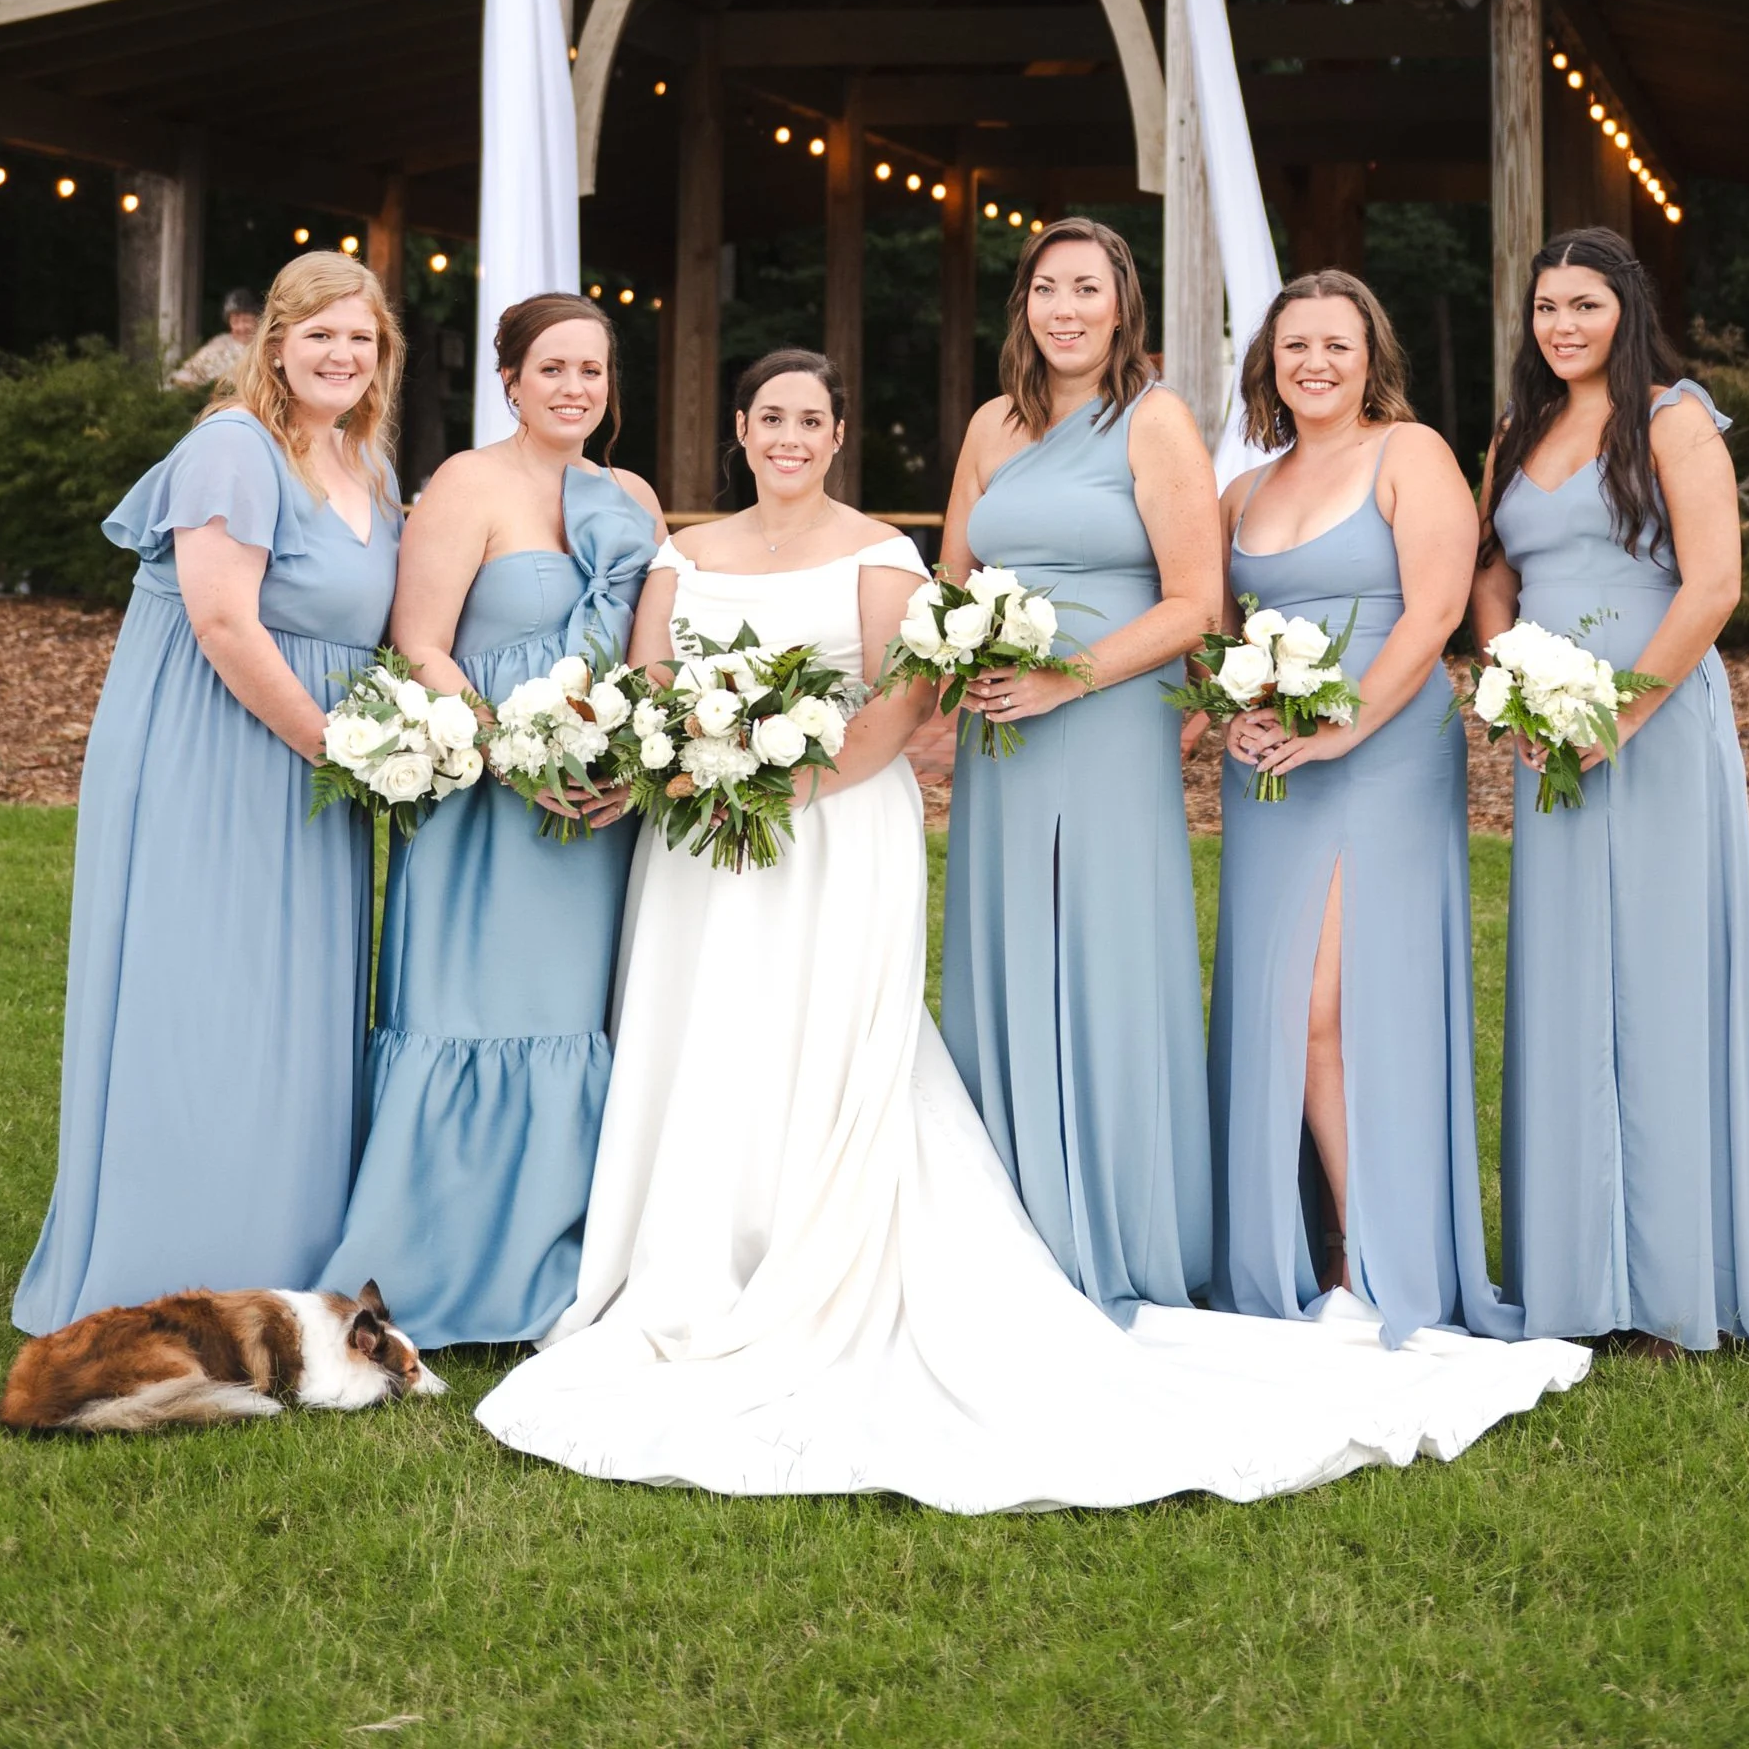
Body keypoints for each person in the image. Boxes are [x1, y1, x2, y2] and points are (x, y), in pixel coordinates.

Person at [475, 349, 1588, 1507]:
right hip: (699, 836)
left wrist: (793, 779)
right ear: (741, 434)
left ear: (840, 433)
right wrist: (697, 763)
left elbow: (908, 688)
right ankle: (690, 1255)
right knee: (706, 1036)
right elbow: (657, 682)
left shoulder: (884, 546)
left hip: (834, 818)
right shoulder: (687, 553)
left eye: (813, 417)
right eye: (771, 419)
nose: (791, 437)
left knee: (843, 1028)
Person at [14, 253, 402, 1330]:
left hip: (313, 768)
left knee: (294, 997)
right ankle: (169, 1255)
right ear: (271, 342)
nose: (340, 355)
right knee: (207, 990)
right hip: (216, 750)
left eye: (360, 339)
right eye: (319, 334)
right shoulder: (234, 450)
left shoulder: (365, 461)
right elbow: (224, 623)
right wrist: (339, 748)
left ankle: (278, 1247)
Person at [1477, 225, 1749, 1358]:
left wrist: (1619, 711)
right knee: (1566, 979)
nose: (1563, 326)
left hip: (1657, 723)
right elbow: (1490, 569)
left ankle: (1681, 1279)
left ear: (1625, 311)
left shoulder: (1673, 418)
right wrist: (1511, 684)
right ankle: (1577, 1279)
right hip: (1548, 737)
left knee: (1664, 980)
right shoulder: (1515, 430)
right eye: (1547, 308)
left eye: (1584, 305)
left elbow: (1715, 580)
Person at [325, 293, 664, 1344]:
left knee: (577, 1023)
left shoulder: (632, 495)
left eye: (593, 371)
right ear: (509, 380)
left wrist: (634, 762)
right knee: (472, 1017)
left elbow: (655, 647)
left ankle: (563, 1266)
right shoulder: (469, 484)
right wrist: (507, 752)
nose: (575, 388)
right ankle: (427, 1268)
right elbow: (419, 640)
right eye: (552, 368)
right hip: (487, 805)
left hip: (596, 815)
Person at [1209, 270, 1518, 1342]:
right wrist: (1233, 714)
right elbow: (1219, 637)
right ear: (1270, 364)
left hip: (1381, 755)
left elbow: (1435, 613)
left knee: (1330, 1009)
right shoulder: (1244, 494)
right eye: (1296, 347)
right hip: (1274, 773)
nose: (1316, 365)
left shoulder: (1411, 453)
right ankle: (1316, 1240)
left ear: (1370, 355)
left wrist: (1341, 730)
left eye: (1337, 346)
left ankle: (1370, 1254)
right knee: (1278, 1006)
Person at [936, 219, 1220, 1319]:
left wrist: (1072, 678)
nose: (1064, 309)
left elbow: (1196, 601)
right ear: (1025, 304)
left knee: (1102, 945)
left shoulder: (1154, 420)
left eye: (1086, 289)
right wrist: (956, 668)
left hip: (1104, 717)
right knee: (1006, 944)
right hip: (1002, 729)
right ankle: (1006, 1218)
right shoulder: (991, 427)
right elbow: (951, 582)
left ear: (1121, 305)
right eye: (1046, 288)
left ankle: (1119, 1220)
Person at [172, 285, 261, 390]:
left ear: (257, 320)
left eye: (246, 320)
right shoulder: (219, 347)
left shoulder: (266, 346)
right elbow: (185, 377)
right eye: (235, 322)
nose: (241, 327)